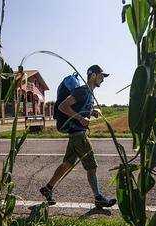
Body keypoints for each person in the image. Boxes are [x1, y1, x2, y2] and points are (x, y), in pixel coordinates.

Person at [39, 64, 117, 208]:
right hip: (78, 135)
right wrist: (81, 119)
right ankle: (98, 198)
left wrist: (90, 112)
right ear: (93, 75)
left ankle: (47, 189)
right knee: (91, 166)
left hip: (75, 134)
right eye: (101, 76)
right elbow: (63, 106)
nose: (102, 80)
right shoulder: (83, 91)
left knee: (67, 164)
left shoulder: (88, 93)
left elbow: (78, 108)